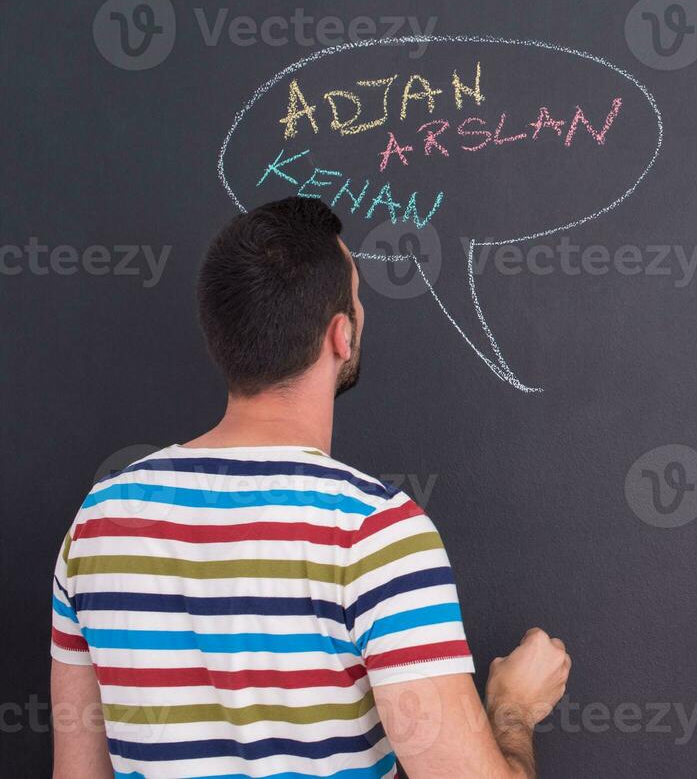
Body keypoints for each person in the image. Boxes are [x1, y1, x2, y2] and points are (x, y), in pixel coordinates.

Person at [49, 197, 570, 779]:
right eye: (358, 298)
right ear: (341, 335)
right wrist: (514, 707)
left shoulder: (99, 523)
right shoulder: (376, 536)